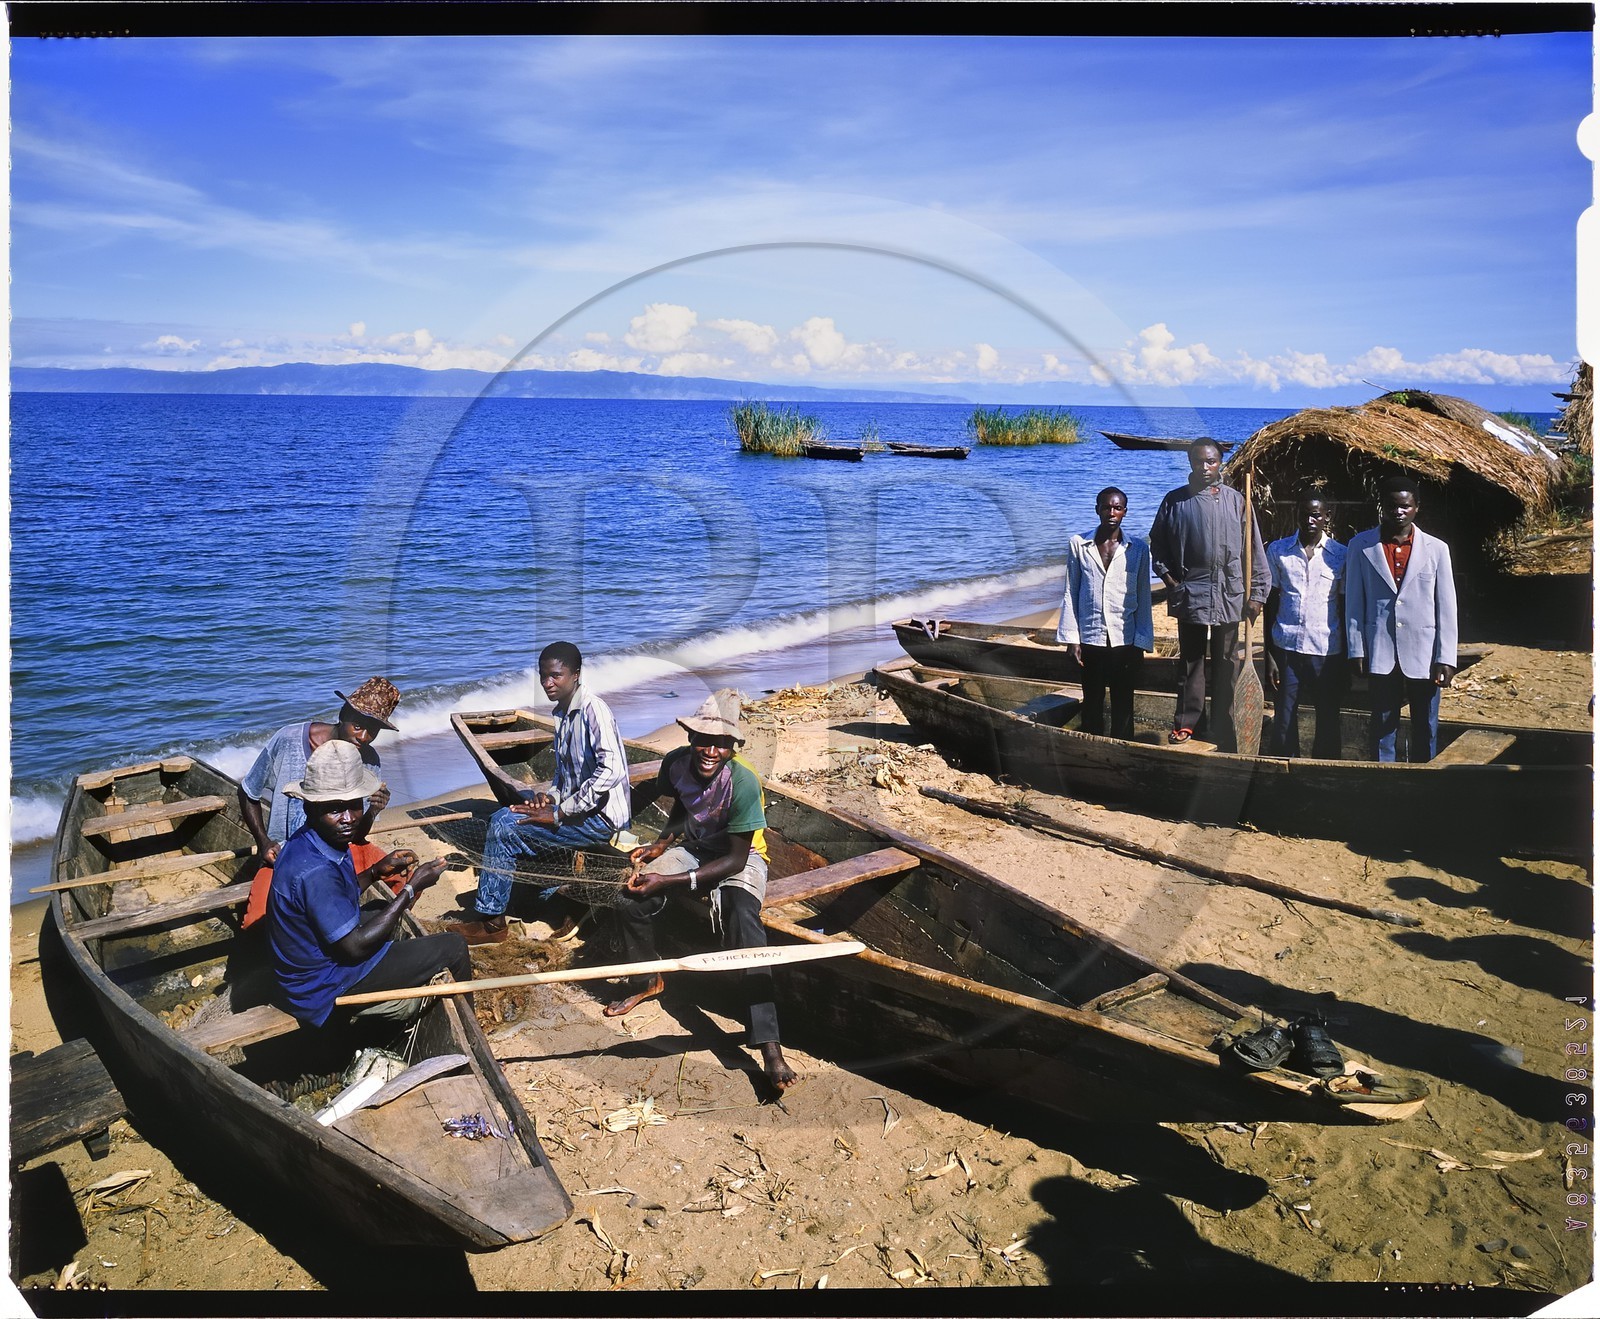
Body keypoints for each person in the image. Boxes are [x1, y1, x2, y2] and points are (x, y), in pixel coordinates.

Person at [606, 689, 796, 1093]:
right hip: (694, 850)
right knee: (630, 896)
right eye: (703, 741)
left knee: (744, 920)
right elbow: (682, 804)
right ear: (690, 739)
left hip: (737, 858)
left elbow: (734, 861)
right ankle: (646, 981)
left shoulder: (743, 783)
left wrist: (673, 881)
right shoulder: (676, 763)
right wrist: (660, 846)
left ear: (732, 747)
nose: (711, 751)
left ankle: (769, 1044)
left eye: (721, 744)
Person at [265, 740, 469, 1026]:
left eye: (353, 806)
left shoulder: (312, 839)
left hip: (310, 967)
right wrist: (412, 887)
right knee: (454, 947)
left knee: (380, 908)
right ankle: (469, 1039)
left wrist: (375, 871)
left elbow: (337, 894)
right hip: (321, 985)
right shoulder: (315, 871)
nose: (348, 819)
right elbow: (354, 948)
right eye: (335, 809)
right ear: (311, 808)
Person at [447, 642, 632, 947]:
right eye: (543, 676)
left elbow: (610, 770)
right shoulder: (562, 713)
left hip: (600, 818)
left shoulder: (592, 709)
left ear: (576, 674)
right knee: (515, 813)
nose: (547, 683)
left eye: (556, 676)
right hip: (578, 811)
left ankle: (493, 922)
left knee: (505, 825)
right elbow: (564, 774)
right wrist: (552, 798)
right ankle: (547, 893)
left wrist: (560, 812)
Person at [239, 677, 403, 930]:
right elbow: (249, 792)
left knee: (402, 877)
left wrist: (373, 810)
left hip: (339, 852)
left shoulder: (368, 760)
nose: (364, 737)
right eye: (358, 726)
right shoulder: (289, 740)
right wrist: (264, 842)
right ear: (342, 715)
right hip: (286, 855)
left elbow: (355, 833)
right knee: (256, 923)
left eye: (373, 731)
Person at [1148, 439, 1270, 751]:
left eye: (1212, 461)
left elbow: (1253, 550)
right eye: (1199, 461)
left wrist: (1256, 593)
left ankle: (1225, 725)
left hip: (1230, 593)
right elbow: (1157, 544)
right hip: (1191, 592)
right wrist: (1171, 580)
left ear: (1220, 463)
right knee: (1191, 662)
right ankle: (1188, 723)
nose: (1205, 468)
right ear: (1190, 462)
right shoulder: (1174, 501)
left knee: (1227, 662)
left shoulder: (1236, 500)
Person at [1344, 475, 1458, 762]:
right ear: (1382, 507)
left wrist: (1446, 657)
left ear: (1416, 508)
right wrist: (1357, 648)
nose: (1399, 512)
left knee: (1426, 723)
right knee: (1382, 722)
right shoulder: (1361, 546)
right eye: (1392, 506)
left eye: (1405, 506)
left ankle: (1423, 779)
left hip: (1424, 651)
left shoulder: (1436, 549)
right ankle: (1383, 781)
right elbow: (1354, 602)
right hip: (1381, 649)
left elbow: (1447, 607)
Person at [1056, 486, 1154, 739]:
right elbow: (1071, 591)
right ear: (1097, 509)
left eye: (1117, 507)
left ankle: (1123, 750)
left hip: (1125, 639)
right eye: (1107, 507)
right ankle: (1093, 750)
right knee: (1092, 700)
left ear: (1125, 512)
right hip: (1091, 636)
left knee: (1124, 702)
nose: (1112, 512)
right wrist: (1071, 639)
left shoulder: (1139, 549)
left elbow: (1144, 597)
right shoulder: (1079, 544)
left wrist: (1142, 642)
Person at [1264, 493, 1348, 758]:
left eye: (1316, 515)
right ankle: (1284, 770)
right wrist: (1269, 654)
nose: (1310, 520)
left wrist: (1346, 655)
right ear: (1296, 515)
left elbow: (1344, 607)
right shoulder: (1278, 551)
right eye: (1304, 514)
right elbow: (1271, 603)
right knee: (1284, 717)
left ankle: (1324, 771)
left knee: (1327, 714)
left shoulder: (1341, 555)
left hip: (1326, 649)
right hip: (1286, 647)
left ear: (1327, 517)